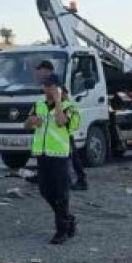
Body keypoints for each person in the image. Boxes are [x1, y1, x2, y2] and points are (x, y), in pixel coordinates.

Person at [26, 75, 81, 244]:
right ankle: (68, 218)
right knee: (45, 191)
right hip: (42, 154)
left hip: (59, 156)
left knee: (61, 194)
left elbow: (61, 122)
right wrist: (31, 121)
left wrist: (58, 101)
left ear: (58, 87)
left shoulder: (69, 107)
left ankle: (61, 231)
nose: (46, 89)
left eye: (50, 86)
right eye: (45, 85)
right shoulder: (38, 105)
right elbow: (27, 125)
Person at [35, 60, 87, 190]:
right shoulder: (48, 83)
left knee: (71, 155)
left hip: (61, 127)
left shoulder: (56, 82)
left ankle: (79, 180)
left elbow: (64, 99)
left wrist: (62, 112)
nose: (39, 73)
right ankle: (69, 179)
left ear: (47, 70)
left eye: (40, 70)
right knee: (68, 155)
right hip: (53, 128)